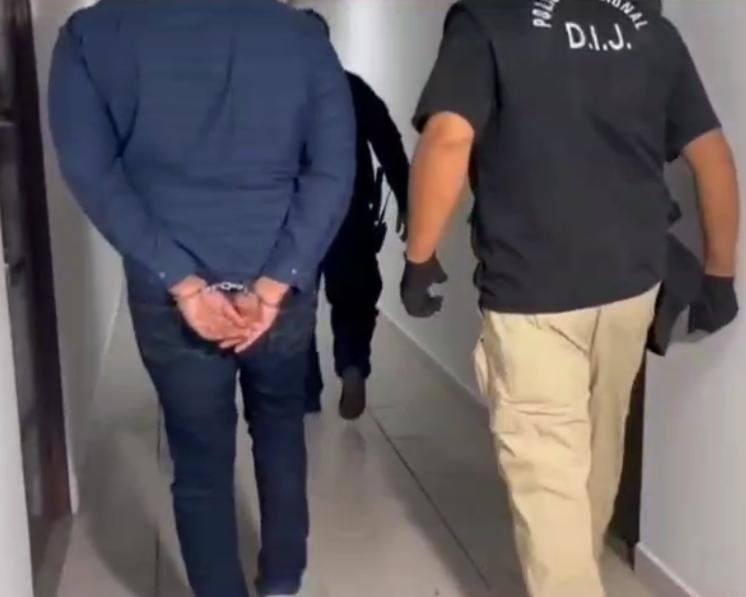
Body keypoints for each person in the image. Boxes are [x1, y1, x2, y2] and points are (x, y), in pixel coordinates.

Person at [402, 1, 739, 596]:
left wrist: (419, 256)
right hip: (633, 285)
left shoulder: (487, 21)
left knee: (547, 471)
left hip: (534, 291)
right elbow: (711, 153)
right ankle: (577, 571)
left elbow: (450, 138)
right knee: (599, 444)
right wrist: (719, 274)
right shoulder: (648, 28)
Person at [48, 1, 355, 596]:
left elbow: (90, 170)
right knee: (280, 426)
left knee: (198, 459)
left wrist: (182, 281)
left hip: (167, 291)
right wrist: (275, 283)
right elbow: (333, 170)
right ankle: (283, 581)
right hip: (280, 283)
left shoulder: (91, 35)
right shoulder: (299, 34)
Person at [302, 10, 411, 420]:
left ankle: (305, 389)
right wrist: (408, 201)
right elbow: (389, 143)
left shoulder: (277, 93)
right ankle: (352, 367)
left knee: (295, 302)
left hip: (296, 219)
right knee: (353, 298)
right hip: (350, 212)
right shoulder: (352, 89)